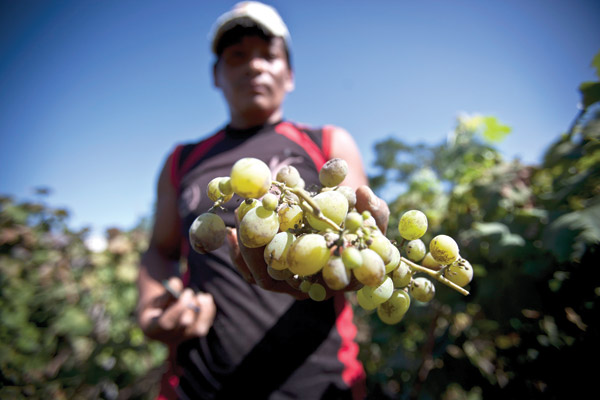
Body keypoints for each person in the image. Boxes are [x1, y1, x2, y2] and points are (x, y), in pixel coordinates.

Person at [136, 2, 390, 399]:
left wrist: (361, 252)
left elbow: (361, 238)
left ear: (288, 75)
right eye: (237, 56)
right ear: (216, 76)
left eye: (267, 56)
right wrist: (151, 308)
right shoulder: (181, 160)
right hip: (198, 386)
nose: (253, 67)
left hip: (322, 386)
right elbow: (159, 249)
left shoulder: (327, 143)